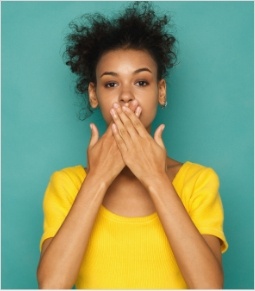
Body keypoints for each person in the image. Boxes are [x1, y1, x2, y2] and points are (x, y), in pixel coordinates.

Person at [37, 2, 228, 289]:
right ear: (93, 94)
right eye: (111, 84)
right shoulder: (67, 184)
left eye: (141, 82)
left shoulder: (198, 182)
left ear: (160, 91)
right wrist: (98, 178)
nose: (126, 96)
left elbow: (209, 287)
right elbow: (51, 286)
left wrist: (155, 177)